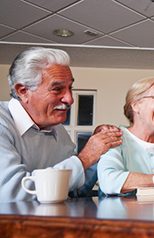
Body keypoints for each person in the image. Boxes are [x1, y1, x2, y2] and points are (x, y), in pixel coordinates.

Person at [0, 47, 123, 202]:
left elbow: (76, 191)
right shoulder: (2, 123)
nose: (70, 99)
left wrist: (97, 152)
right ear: (23, 91)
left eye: (69, 88)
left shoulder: (57, 130)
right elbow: (11, 193)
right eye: (57, 89)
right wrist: (85, 157)